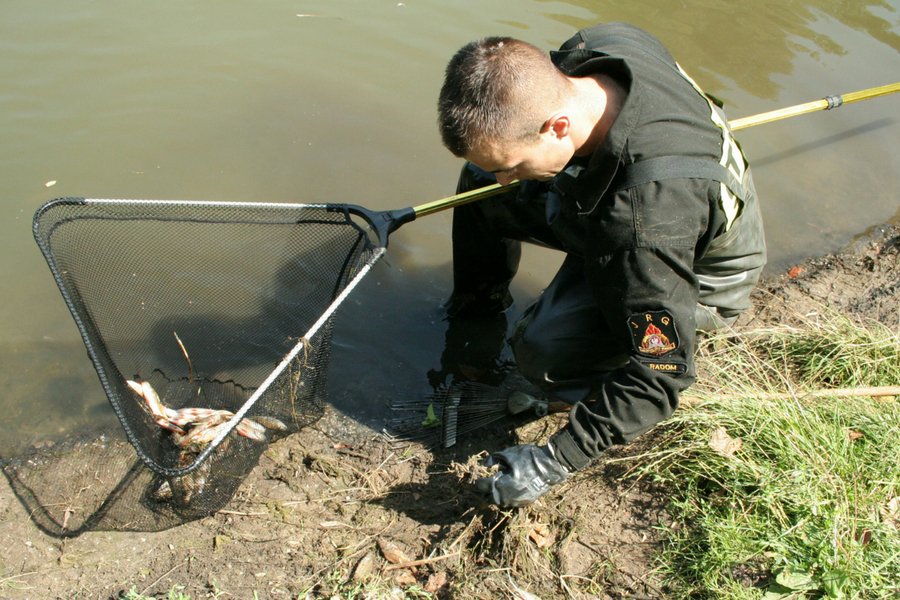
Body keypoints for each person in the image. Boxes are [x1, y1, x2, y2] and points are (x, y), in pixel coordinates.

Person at [435, 22, 766, 507]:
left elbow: (663, 372)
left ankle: (573, 381)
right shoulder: (602, 46)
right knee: (479, 184)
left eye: (512, 164)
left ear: (558, 126)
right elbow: (505, 172)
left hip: (701, 270)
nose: (506, 179)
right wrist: (507, 171)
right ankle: (477, 309)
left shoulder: (641, 227)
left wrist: (553, 460)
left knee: (541, 350)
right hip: (615, 200)